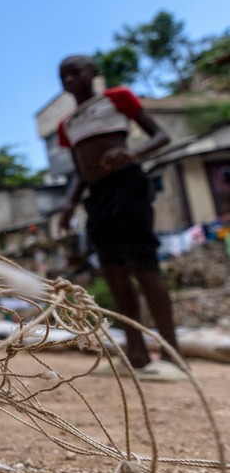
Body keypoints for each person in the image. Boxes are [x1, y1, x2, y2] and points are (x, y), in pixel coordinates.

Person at [56, 54, 185, 381]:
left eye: (76, 72)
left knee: (142, 263)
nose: (69, 79)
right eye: (63, 75)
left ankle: (172, 352)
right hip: (97, 197)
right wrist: (70, 204)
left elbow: (161, 136)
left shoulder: (117, 99)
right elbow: (79, 171)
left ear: (93, 72)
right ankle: (136, 351)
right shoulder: (67, 124)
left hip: (128, 185)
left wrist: (133, 153)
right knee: (113, 271)